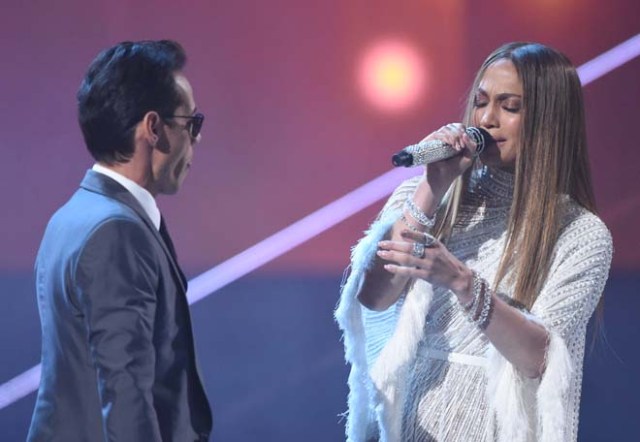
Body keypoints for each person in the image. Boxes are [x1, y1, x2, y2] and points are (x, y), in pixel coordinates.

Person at [335, 42, 613, 441]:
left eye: (509, 106)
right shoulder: (426, 196)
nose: (487, 119)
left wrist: (464, 284)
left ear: (550, 120)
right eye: (480, 102)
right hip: (407, 425)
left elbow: (541, 358)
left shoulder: (580, 234)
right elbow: (373, 297)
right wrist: (433, 187)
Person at [28, 40, 212, 442]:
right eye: (191, 123)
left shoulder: (72, 216)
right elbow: (125, 390)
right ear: (153, 128)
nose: (195, 140)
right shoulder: (117, 232)